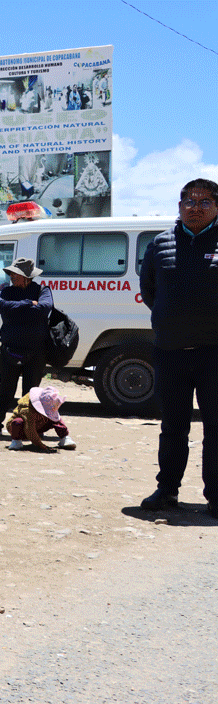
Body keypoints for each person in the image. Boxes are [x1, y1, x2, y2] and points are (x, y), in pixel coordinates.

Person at [139, 178, 218, 515]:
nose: (195, 207)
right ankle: (166, 491)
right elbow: (151, 292)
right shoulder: (160, 244)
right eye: (189, 201)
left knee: (216, 427)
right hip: (170, 352)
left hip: (215, 353)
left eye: (204, 201)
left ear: (216, 207)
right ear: (179, 206)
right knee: (173, 426)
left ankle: (216, 497)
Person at [0, 257, 53, 436]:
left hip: (36, 352)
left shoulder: (43, 290)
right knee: (5, 390)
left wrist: (18, 310)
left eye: (15, 274)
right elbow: (2, 306)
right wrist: (28, 304)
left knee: (31, 393)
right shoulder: (7, 291)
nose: (11, 276)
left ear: (26, 277)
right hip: (10, 349)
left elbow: (45, 308)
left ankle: (31, 427)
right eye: (10, 273)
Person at [6, 386, 76, 452]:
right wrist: (40, 445)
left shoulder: (50, 403)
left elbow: (56, 419)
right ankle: (16, 441)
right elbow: (29, 429)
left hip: (38, 425)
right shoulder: (27, 408)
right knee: (18, 422)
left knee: (55, 418)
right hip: (22, 429)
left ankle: (65, 437)